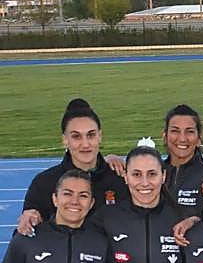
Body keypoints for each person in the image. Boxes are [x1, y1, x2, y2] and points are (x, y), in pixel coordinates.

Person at [18, 99, 128, 236]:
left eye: (91, 135)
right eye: (76, 136)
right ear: (65, 140)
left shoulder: (120, 178)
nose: (85, 144)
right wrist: (29, 222)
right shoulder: (44, 184)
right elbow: (24, 239)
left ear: (100, 136)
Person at [162, 104, 203, 213]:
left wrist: (195, 220)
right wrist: (113, 158)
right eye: (175, 131)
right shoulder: (152, 174)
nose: (182, 139)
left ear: (199, 139)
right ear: (165, 137)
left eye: (189, 131)